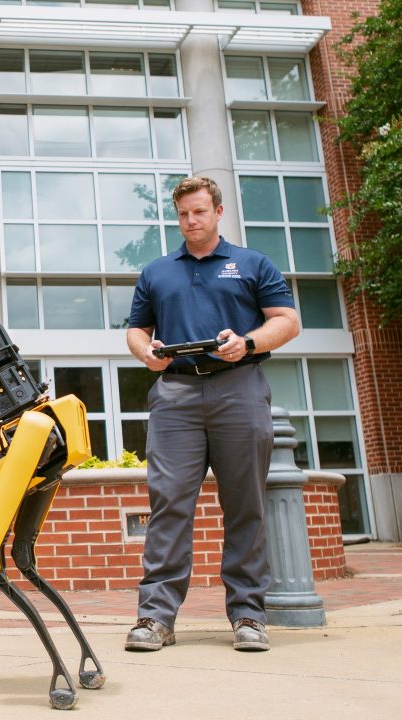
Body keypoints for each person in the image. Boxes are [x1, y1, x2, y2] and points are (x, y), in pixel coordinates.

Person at [123, 176, 300, 653]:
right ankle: (155, 619)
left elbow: (287, 321)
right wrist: (148, 354)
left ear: (218, 211)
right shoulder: (158, 271)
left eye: (199, 212)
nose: (190, 221)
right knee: (169, 506)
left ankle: (248, 616)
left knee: (245, 505)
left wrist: (249, 343)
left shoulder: (251, 263)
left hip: (238, 389)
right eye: (182, 214)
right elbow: (136, 331)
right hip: (176, 393)